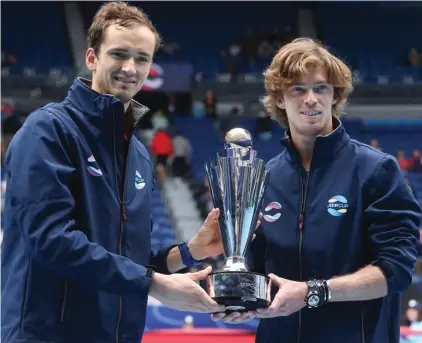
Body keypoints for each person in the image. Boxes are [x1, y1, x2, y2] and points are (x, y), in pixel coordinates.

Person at [1, 3, 228, 343]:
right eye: (119, 54)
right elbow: (51, 240)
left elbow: (130, 260)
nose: (130, 68)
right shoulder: (47, 131)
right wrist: (155, 285)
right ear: (92, 58)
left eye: (142, 58)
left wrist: (190, 251)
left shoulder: (136, 151)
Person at [212, 38, 422, 343]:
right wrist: (241, 301)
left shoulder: (376, 170)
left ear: (334, 96)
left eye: (321, 88)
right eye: (298, 88)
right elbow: (257, 270)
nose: (311, 99)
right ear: (280, 99)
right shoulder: (263, 177)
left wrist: (314, 292)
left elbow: (397, 269)